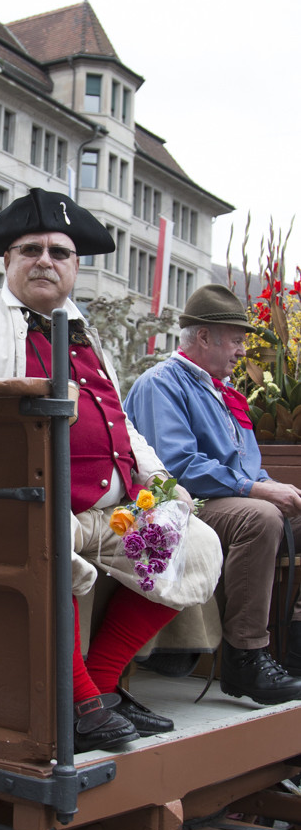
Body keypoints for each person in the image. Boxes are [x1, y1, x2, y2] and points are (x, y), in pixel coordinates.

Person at [0, 188, 222, 753]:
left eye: (59, 252)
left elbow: (122, 423)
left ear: (76, 267)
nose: (44, 260)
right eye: (30, 250)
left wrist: (163, 485)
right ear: (7, 261)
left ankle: (98, 691)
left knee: (192, 542)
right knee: (47, 540)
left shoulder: (84, 332)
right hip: (31, 508)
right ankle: (78, 703)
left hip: (112, 514)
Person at [125, 283, 301, 705]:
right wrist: (259, 489)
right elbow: (178, 466)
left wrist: (270, 486)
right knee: (259, 518)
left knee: (278, 511)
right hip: (178, 504)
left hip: (221, 499)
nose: (242, 351)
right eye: (237, 340)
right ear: (204, 337)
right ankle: (245, 656)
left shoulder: (220, 391)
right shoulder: (161, 384)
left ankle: (293, 643)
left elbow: (246, 467)